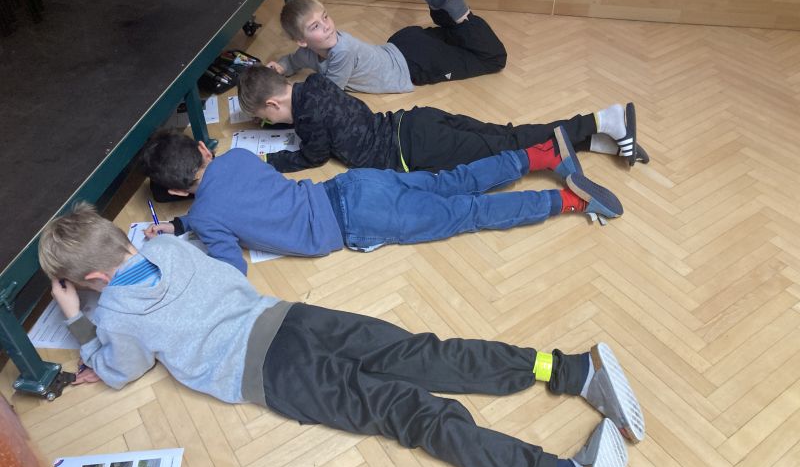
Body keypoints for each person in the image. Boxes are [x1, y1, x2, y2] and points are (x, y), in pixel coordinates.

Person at [39, 203, 645, 467]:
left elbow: (122, 370)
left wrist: (77, 322)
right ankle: (568, 369)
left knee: (406, 412)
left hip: (270, 373)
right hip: (294, 319)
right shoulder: (170, 248)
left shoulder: (113, 314)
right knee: (424, 354)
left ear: (91, 281)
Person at [139, 126, 623, 275]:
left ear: (177, 192)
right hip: (353, 185)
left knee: (468, 213)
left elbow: (231, 270)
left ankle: (568, 201)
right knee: (452, 182)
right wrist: (186, 226)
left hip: (361, 220)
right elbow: (245, 197)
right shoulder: (239, 158)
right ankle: (538, 154)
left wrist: (184, 241)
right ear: (204, 149)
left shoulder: (205, 213)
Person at [238, 66, 649, 173]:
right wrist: (277, 121)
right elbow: (314, 114)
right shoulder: (315, 83)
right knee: (505, 135)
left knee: (508, 147)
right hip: (414, 121)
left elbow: (312, 156)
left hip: (413, 150)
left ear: (273, 105)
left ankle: (598, 120)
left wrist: (268, 160)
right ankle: (593, 141)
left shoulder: (308, 120)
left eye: (266, 116)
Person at [266, 0, 507, 93]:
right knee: (458, 41)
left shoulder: (341, 52)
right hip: (404, 42)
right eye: (315, 26)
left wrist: (289, 90)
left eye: (326, 18)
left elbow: (328, 93)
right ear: (302, 41)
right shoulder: (307, 53)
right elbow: (293, 61)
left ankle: (457, 7)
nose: (327, 27)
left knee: (494, 58)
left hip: (414, 65)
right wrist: (281, 67)